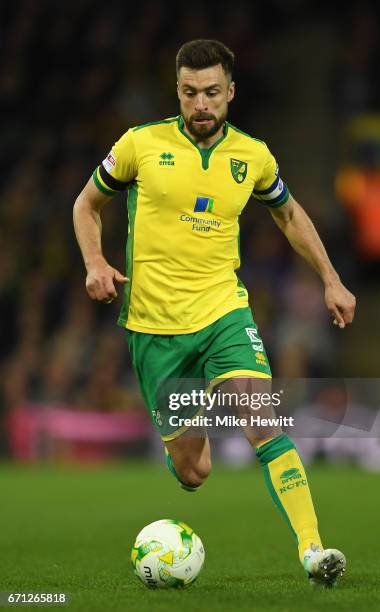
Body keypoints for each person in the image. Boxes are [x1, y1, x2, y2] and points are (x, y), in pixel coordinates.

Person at [73, 39, 356, 587]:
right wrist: (94, 263)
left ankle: (313, 550)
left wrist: (331, 278)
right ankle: (190, 433)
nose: (200, 104)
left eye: (210, 93)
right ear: (177, 91)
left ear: (230, 92)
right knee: (194, 470)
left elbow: (290, 213)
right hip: (155, 329)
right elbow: (87, 203)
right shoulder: (140, 145)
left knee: (261, 421)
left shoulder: (253, 155)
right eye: (188, 93)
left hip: (225, 312)